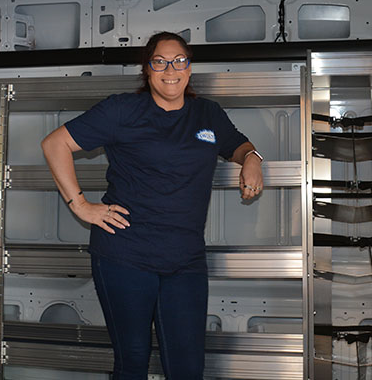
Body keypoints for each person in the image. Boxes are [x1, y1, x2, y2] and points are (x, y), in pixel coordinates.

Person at [40, 31, 264, 379]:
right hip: (126, 255)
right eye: (159, 61)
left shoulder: (208, 114)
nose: (170, 69)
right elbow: (56, 144)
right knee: (133, 361)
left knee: (188, 367)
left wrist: (252, 158)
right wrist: (80, 205)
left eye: (179, 61)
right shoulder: (122, 110)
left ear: (189, 68)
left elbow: (238, 145)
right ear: (147, 69)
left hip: (185, 259)